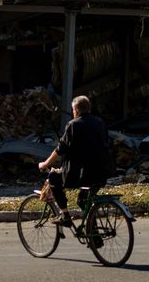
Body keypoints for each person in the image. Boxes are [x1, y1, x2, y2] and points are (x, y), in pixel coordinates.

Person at [38, 95, 110, 224]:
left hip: (81, 174)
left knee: (54, 177)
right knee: (83, 200)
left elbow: (60, 149)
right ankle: (94, 235)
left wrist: (46, 163)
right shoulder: (100, 122)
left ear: (76, 110)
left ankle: (65, 215)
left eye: (73, 110)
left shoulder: (73, 125)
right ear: (89, 108)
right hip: (102, 171)